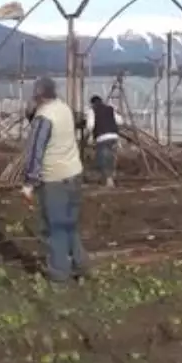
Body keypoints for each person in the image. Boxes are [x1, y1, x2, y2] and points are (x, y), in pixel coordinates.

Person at [21, 77, 88, 283]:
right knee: (69, 224)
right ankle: (80, 264)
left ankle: (59, 273)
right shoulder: (64, 108)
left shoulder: (44, 117)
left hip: (54, 179)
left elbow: (35, 152)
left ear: (38, 96)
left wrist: (29, 184)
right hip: (74, 174)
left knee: (55, 227)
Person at [87, 95, 119, 188]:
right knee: (112, 158)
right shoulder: (110, 109)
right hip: (114, 136)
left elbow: (90, 125)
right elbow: (120, 121)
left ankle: (108, 182)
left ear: (92, 103)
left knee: (103, 159)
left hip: (102, 137)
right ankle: (111, 178)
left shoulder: (92, 110)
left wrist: (89, 136)